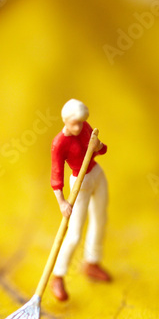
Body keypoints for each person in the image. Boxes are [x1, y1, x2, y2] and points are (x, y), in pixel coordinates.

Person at [49, 99, 112, 301]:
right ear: (65, 120)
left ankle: (91, 263)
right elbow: (56, 176)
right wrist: (62, 202)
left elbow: (102, 150)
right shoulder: (59, 143)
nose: (79, 127)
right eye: (74, 123)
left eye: (81, 122)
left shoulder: (85, 127)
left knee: (100, 220)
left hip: (96, 174)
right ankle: (58, 276)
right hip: (80, 182)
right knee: (74, 233)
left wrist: (98, 146)